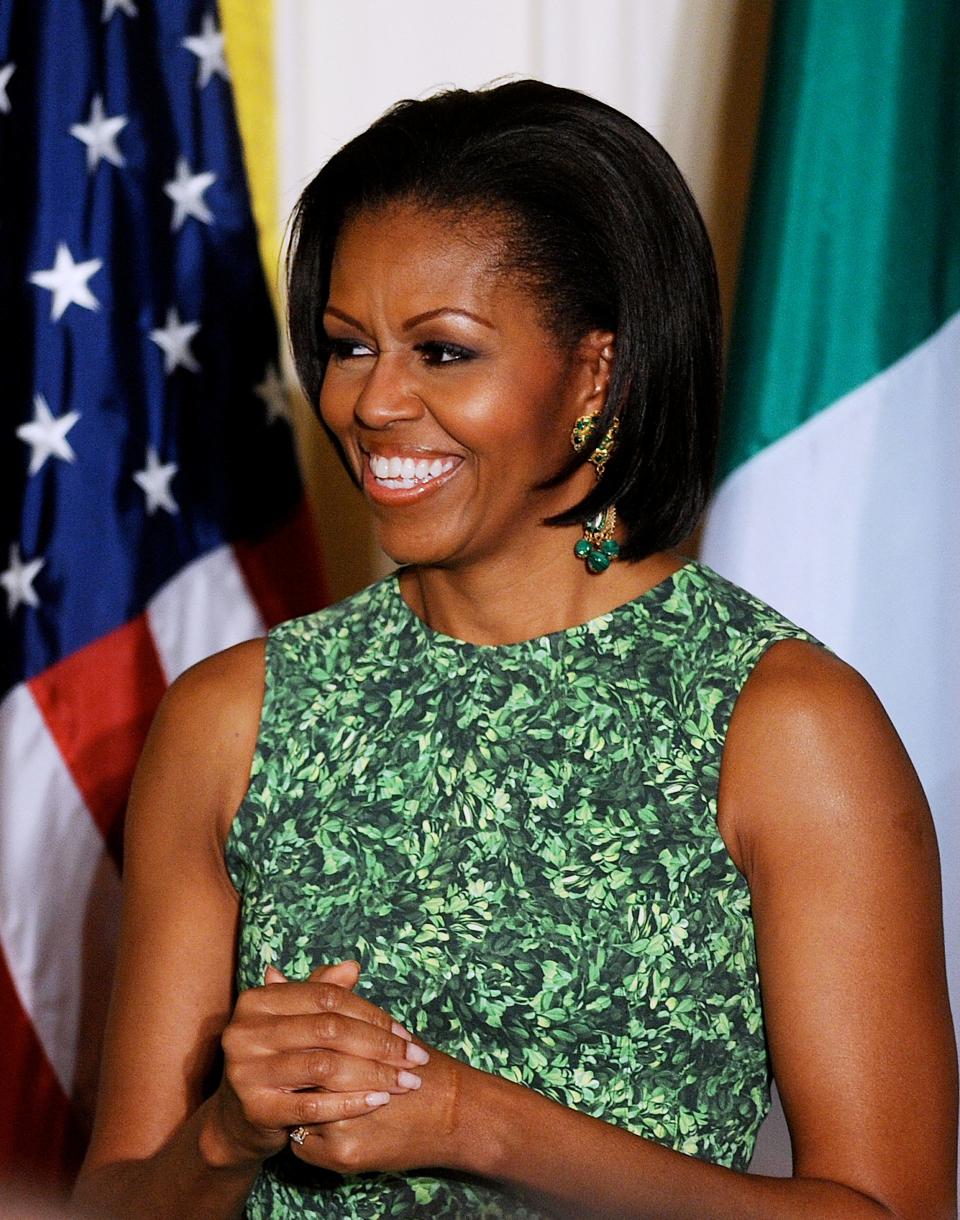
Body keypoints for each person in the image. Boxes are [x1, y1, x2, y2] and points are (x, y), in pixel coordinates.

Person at [73, 80, 956, 1219]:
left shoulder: (782, 722)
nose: (373, 401)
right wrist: (226, 1132)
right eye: (348, 347)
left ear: (596, 372)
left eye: (441, 352)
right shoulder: (235, 714)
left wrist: (469, 1118)